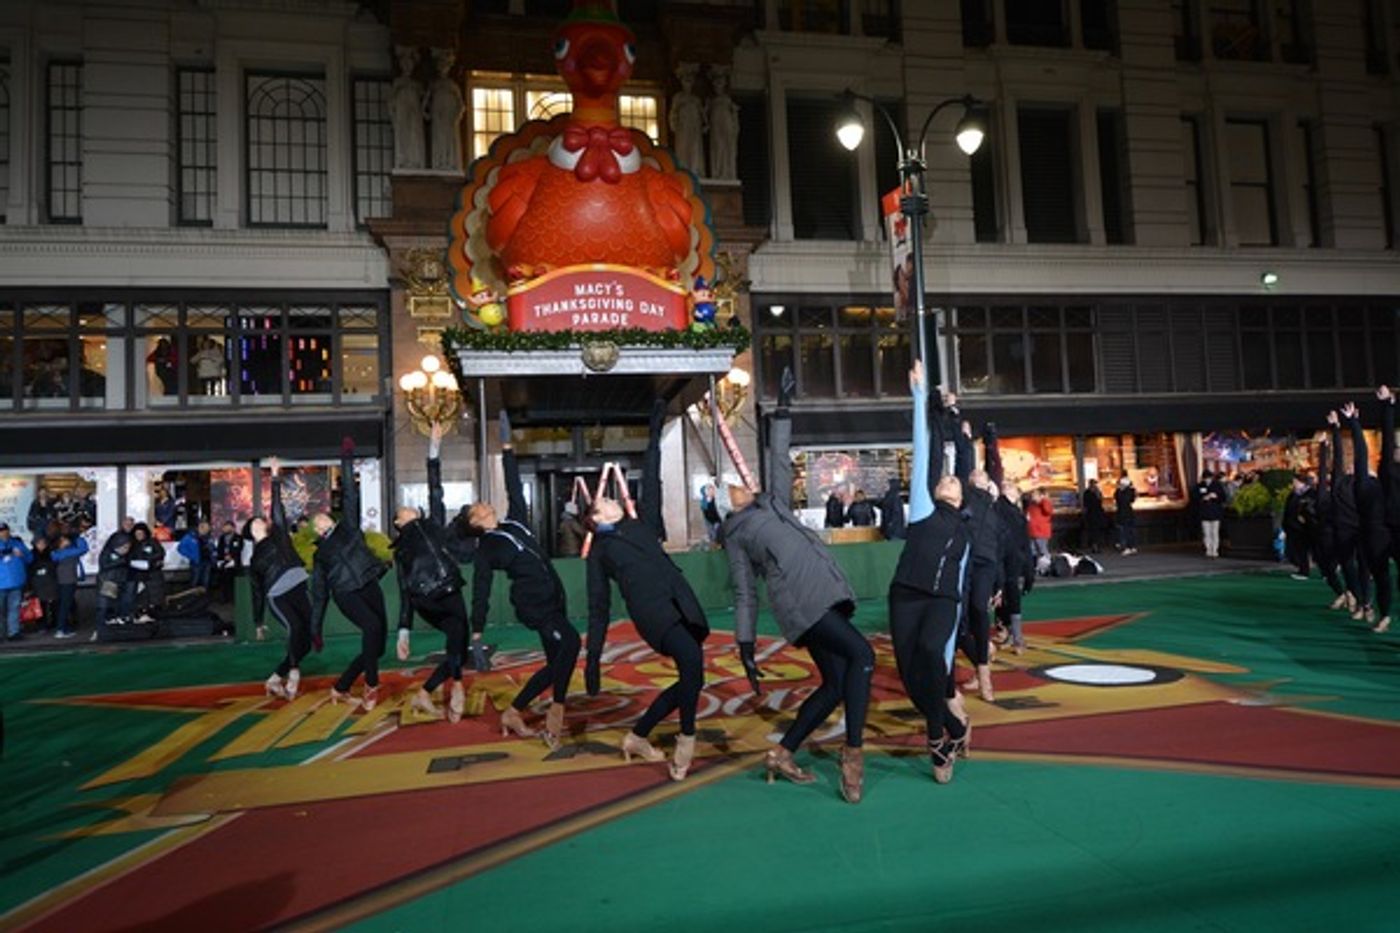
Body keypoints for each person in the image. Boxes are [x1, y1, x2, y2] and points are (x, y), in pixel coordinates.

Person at [720, 368, 873, 803]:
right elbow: (745, 592)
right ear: (722, 503)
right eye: (732, 487)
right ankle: (854, 754)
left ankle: (784, 753)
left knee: (836, 684)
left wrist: (783, 410)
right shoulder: (735, 535)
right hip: (804, 605)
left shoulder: (772, 503)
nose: (742, 485)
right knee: (861, 656)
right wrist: (745, 643)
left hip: (826, 592)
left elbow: (779, 459)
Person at [586, 400, 709, 781]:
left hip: (683, 604)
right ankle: (686, 740)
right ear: (595, 518)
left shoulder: (642, 525)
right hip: (655, 616)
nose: (608, 499)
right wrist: (592, 659)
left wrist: (653, 434)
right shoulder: (601, 551)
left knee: (693, 676)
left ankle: (638, 736)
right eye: (601, 501)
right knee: (692, 666)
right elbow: (598, 605)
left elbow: (652, 479)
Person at [468, 413, 578, 746]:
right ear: (476, 521)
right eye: (479, 506)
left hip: (553, 595)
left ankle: (551, 715)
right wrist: (477, 630)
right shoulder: (485, 548)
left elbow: (514, 488)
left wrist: (507, 449)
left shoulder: (514, 523)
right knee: (570, 646)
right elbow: (481, 588)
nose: (485, 503)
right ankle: (522, 709)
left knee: (558, 657)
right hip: (535, 604)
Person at [888, 360, 972, 785]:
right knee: (910, 675)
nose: (947, 482)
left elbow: (960, 581)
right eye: (945, 482)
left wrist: (959, 632)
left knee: (932, 657)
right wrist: (920, 396)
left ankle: (937, 740)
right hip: (905, 595)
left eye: (954, 483)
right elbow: (924, 453)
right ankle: (956, 728)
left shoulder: (967, 530)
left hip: (942, 601)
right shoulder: (922, 510)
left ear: (961, 495)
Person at [393, 423, 475, 724]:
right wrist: (404, 630)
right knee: (458, 641)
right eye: (402, 512)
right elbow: (404, 589)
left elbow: (435, 490)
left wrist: (434, 450)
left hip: (447, 588)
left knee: (459, 646)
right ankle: (456, 689)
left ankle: (427, 692)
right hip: (430, 596)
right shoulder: (402, 546)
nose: (408, 509)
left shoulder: (433, 525)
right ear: (398, 524)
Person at [310, 439, 392, 709]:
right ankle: (371, 683)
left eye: (324, 517)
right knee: (371, 628)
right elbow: (319, 594)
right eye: (317, 522)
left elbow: (350, 497)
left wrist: (346, 460)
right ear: (318, 532)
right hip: (346, 593)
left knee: (377, 646)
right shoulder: (320, 554)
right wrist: (316, 629)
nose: (322, 519)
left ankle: (342, 686)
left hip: (368, 583)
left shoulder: (349, 528)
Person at [248, 458, 314, 700]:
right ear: (250, 533)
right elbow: (256, 590)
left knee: (307, 638)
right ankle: (294, 675)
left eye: (260, 520)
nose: (259, 522)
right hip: (278, 594)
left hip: (298, 584)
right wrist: (258, 621)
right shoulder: (255, 560)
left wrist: (274, 478)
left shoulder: (279, 537)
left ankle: (275, 678)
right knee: (296, 628)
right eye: (254, 524)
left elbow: (277, 509)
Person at [950, 420, 1005, 704]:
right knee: (960, 621)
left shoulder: (997, 507)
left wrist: (1000, 585)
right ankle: (981, 661)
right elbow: (965, 462)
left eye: (981, 475)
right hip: (965, 562)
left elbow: (993, 465)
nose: (977, 474)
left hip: (984, 564)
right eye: (975, 475)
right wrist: (966, 437)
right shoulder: (968, 497)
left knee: (977, 613)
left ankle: (983, 672)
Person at [1342, 401, 1392, 629]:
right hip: (1376, 532)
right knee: (1378, 575)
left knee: (1372, 573)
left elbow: (1364, 454)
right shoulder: (1369, 484)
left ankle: (1373, 608)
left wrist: (1354, 422)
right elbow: (1364, 455)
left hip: (1377, 533)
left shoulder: (1378, 483)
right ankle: (1375, 610)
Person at [986, 424, 1032, 655]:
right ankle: (1015, 637)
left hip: (1002, 559)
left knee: (1001, 594)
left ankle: (1008, 633)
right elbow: (1024, 543)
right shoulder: (1013, 513)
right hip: (1010, 560)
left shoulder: (998, 509)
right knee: (1009, 595)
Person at [1376, 386, 1400, 633]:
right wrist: (1388, 406)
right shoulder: (1389, 471)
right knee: (1380, 574)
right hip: (1386, 528)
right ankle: (1382, 613)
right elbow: (1388, 439)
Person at [96, 520, 135, 624]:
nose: (127, 550)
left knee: (118, 604)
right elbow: (104, 564)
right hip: (109, 580)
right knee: (106, 604)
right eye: (125, 547)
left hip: (119, 579)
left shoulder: (122, 553)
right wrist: (121, 561)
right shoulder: (109, 553)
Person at [51, 532, 87, 639]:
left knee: (65, 604)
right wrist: (78, 537)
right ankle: (61, 629)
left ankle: (64, 628)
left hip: (65, 580)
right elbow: (83, 549)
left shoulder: (58, 553)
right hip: (67, 580)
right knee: (65, 605)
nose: (68, 540)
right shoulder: (65, 553)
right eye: (64, 540)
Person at [0, 525, 33, 640]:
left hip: (16, 581)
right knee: (1, 610)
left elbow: (30, 559)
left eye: (5, 530)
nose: (3, 533)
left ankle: (13, 632)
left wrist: (22, 555)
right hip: (1, 583)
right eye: (1, 531)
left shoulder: (17, 543)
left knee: (14, 608)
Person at [128, 523, 166, 618]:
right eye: (137, 534)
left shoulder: (152, 542)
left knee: (156, 597)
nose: (139, 536)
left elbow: (160, 553)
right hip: (140, 575)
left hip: (154, 574)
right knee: (142, 597)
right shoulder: (132, 544)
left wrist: (150, 561)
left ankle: (156, 614)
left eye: (141, 534)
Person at [1282, 475, 1315, 580]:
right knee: (1293, 550)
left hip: (1304, 527)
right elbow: (1287, 510)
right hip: (1292, 526)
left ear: (1302, 482)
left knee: (1303, 550)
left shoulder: (1310, 494)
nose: (1294, 484)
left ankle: (1304, 571)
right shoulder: (1293, 494)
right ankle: (1302, 568)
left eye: (1295, 482)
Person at [26, 536, 58, 633]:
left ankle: (54, 623)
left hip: (51, 582)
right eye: (39, 543)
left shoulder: (51, 553)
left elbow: (55, 567)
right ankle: (42, 625)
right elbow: (29, 570)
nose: (42, 545)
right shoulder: (31, 555)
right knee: (40, 606)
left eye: (43, 543)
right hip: (37, 584)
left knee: (54, 605)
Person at [1197, 471, 1226, 558]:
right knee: (1206, 533)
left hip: (1215, 512)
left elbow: (1223, 497)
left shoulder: (1217, 485)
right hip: (1204, 513)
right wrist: (1203, 498)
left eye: (1209, 478)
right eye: (1205, 478)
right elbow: (1196, 498)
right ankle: (1208, 550)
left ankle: (1215, 550)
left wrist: (1216, 496)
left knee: (1215, 532)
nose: (1207, 480)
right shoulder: (1200, 485)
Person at [178, 521, 215, 591]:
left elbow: (212, 548)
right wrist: (191, 556)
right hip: (196, 562)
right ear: (201, 528)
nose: (207, 532)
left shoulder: (208, 538)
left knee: (205, 580)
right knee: (195, 580)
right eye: (206, 530)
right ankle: (193, 597)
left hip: (207, 561)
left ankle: (204, 597)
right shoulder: (190, 537)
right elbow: (180, 548)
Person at [214, 520, 243, 603]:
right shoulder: (222, 538)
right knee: (223, 581)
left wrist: (232, 556)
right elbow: (219, 549)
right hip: (223, 562)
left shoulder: (238, 538)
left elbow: (239, 548)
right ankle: (224, 598)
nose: (225, 529)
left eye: (227, 527)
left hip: (233, 562)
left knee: (232, 581)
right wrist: (222, 557)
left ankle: (233, 599)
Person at [1026, 488, 1054, 560]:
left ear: (1041, 495)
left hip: (1041, 532)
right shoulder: (1032, 505)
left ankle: (1047, 565)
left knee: (1042, 550)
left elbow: (1048, 510)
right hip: (1032, 531)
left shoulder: (1045, 503)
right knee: (1033, 551)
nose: (1033, 496)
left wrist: (1043, 500)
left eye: (1035, 494)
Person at [1081, 478, 1106, 553]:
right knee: (1094, 532)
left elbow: (1100, 501)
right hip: (1093, 514)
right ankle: (1095, 546)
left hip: (1095, 514)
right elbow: (1087, 504)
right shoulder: (1089, 493)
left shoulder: (1095, 492)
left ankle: (1096, 546)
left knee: (1095, 531)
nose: (1095, 486)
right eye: (1094, 484)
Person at [1114, 476, 1138, 554]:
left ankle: (1127, 547)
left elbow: (1120, 500)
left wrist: (1119, 491)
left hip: (1124, 514)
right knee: (1130, 531)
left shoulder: (1123, 493)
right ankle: (1132, 546)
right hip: (1129, 514)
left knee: (1125, 531)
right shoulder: (1131, 491)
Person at [879, 476, 906, 541]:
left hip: (893, 531)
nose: (886, 487)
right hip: (893, 530)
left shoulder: (893, 498)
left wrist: (888, 526)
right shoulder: (892, 497)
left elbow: (895, 514)